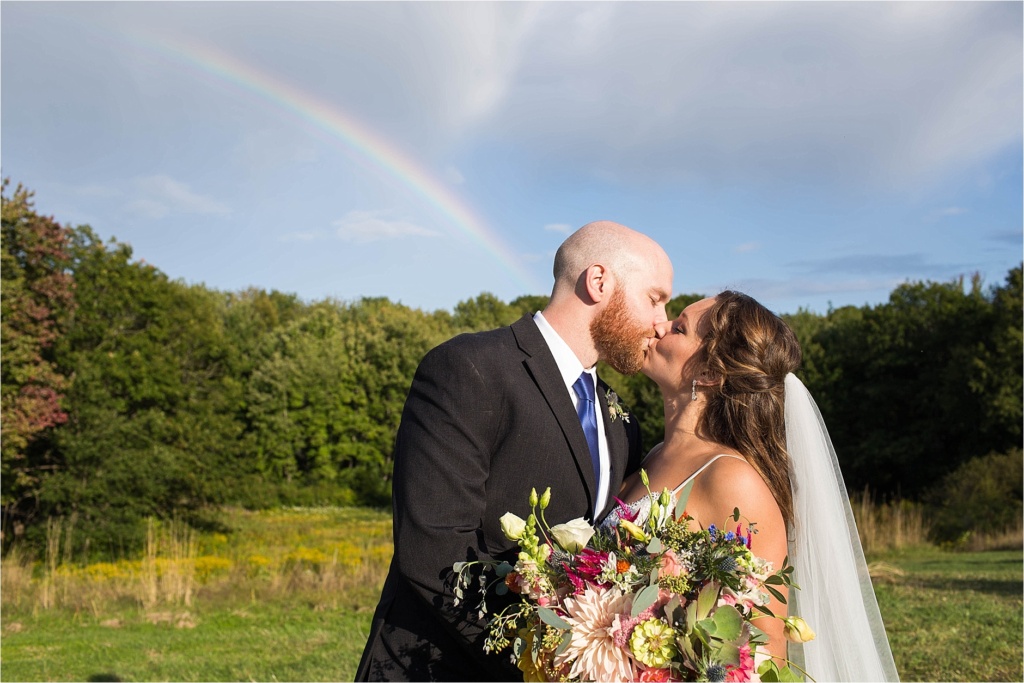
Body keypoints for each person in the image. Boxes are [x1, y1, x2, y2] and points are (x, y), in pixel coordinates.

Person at [356, 221, 674, 681]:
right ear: (599, 282)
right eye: (655, 298)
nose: (663, 322)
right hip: (436, 668)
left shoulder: (620, 419)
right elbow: (434, 551)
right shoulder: (469, 367)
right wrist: (554, 654)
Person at [612, 291, 899, 681]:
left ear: (709, 374)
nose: (658, 326)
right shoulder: (650, 455)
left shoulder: (732, 479)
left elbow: (766, 652)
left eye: (678, 328)